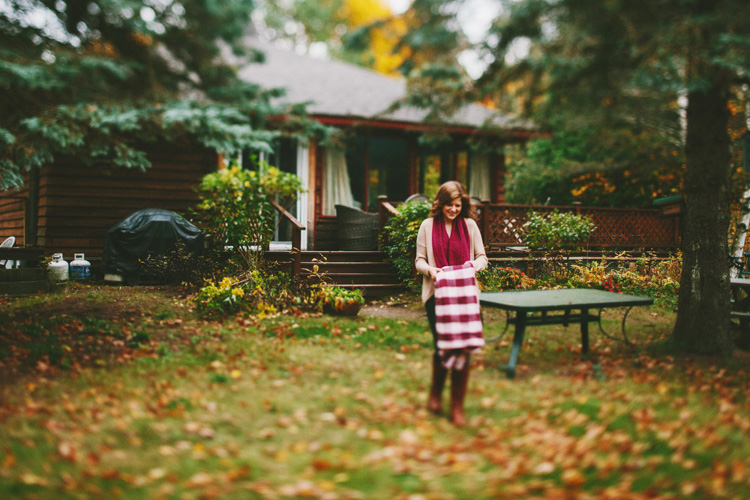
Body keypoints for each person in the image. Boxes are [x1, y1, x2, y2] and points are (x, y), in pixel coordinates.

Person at [415, 181, 488, 426]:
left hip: (466, 297)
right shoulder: (427, 226)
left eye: (458, 205)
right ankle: (435, 395)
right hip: (437, 296)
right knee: (443, 346)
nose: (454, 210)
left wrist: (475, 266)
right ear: (440, 203)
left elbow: (482, 257)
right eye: (449, 205)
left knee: (464, 347)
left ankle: (457, 406)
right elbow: (419, 261)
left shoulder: (469, 226)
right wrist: (431, 271)